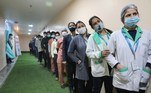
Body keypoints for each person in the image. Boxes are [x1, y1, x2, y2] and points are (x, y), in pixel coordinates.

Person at [107, 4, 151, 93]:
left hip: (142, 77)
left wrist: (148, 69)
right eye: (128, 15)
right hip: (123, 80)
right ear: (123, 19)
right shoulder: (115, 35)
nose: (132, 17)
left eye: (135, 14)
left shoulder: (147, 34)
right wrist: (118, 65)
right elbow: (108, 54)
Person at [86, 16, 113, 93]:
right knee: (96, 90)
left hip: (111, 66)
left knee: (109, 89)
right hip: (99, 68)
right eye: (95, 23)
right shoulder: (93, 37)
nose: (98, 24)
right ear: (92, 27)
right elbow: (88, 53)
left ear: (101, 21)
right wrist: (100, 53)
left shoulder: (111, 34)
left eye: (98, 21)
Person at [68, 21, 92, 93]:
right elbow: (69, 52)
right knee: (81, 84)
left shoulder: (91, 36)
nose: (81, 28)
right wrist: (77, 60)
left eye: (82, 26)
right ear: (77, 30)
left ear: (85, 26)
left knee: (91, 83)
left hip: (93, 64)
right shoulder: (75, 39)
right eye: (79, 27)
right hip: (82, 64)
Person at [62, 22, 78, 93]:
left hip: (78, 60)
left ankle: (76, 88)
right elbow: (64, 49)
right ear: (68, 27)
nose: (72, 26)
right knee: (70, 75)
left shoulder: (78, 36)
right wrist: (64, 59)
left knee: (77, 75)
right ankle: (71, 88)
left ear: (75, 26)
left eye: (73, 25)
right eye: (70, 26)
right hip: (69, 60)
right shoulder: (66, 37)